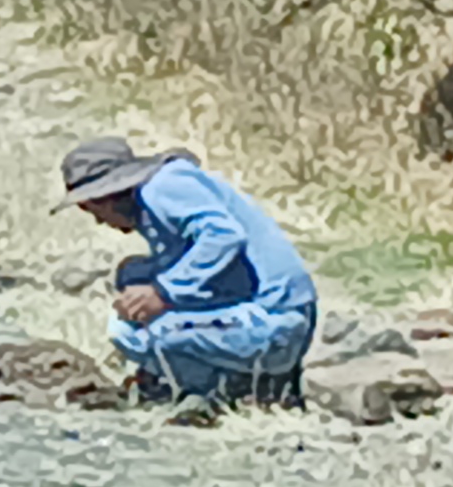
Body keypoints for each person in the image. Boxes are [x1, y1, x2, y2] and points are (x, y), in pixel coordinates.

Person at [58, 136, 320, 405]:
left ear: (106, 196)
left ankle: (226, 389)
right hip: (269, 315)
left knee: (135, 334)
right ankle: (208, 378)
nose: (98, 221)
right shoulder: (159, 193)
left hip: (276, 322)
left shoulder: (162, 188)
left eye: (91, 208)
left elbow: (224, 236)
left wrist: (164, 292)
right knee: (132, 276)